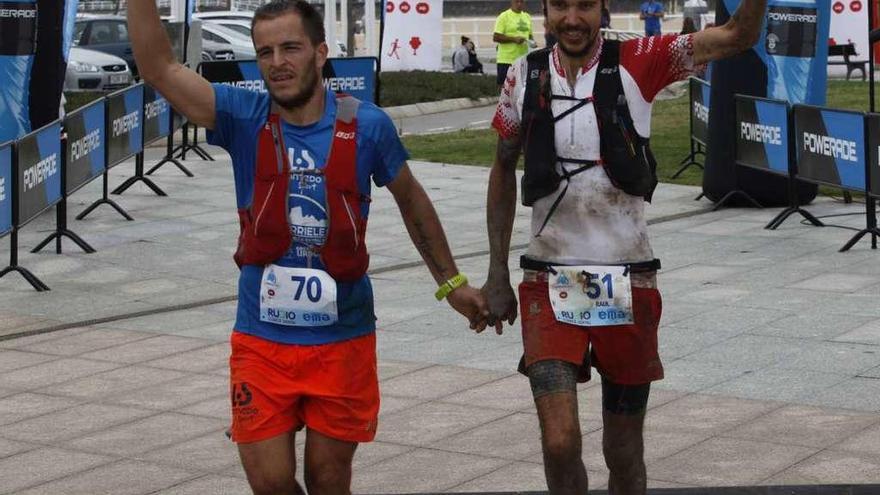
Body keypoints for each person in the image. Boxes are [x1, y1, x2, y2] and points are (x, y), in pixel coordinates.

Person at [126, 1, 490, 493]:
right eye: (265, 52)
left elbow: (413, 202)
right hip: (262, 340)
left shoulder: (369, 125)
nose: (277, 61)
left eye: (290, 48)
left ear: (321, 52)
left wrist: (452, 284)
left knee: (328, 478)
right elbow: (159, 68)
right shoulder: (240, 115)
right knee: (272, 483)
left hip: (343, 338)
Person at [482, 0, 768, 491]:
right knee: (559, 441)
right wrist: (495, 273)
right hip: (547, 281)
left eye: (585, 6)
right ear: (544, 11)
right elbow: (503, 165)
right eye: (561, 7)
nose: (573, 19)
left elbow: (738, 35)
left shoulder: (641, 59)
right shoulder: (522, 76)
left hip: (628, 282)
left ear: (604, 9)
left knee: (622, 450)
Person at [493, 0, 534, 87]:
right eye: (517, 1)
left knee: (521, 89)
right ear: (512, 2)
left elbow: (530, 36)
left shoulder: (527, 17)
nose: (519, 4)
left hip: (522, 61)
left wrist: (532, 42)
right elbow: (496, 37)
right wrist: (514, 39)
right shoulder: (504, 16)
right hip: (506, 60)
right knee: (504, 89)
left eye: (521, 2)